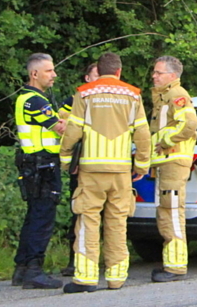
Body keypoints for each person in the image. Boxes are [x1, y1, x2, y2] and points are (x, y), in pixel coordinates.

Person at [59, 52, 150, 292]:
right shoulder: (133, 95)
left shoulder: (84, 93)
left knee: (88, 221)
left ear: (98, 71)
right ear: (119, 71)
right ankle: (116, 278)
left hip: (91, 171)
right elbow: (142, 134)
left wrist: (67, 161)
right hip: (121, 172)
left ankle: (86, 278)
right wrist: (141, 165)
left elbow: (73, 131)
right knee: (117, 223)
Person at [12, 53, 66, 290]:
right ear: (34, 74)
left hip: (33, 164)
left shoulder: (27, 98)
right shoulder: (35, 101)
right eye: (49, 71)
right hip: (42, 165)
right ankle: (34, 270)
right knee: (42, 217)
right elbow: (59, 128)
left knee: (34, 214)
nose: (54, 75)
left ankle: (22, 268)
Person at [148, 56, 197, 282]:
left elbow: (190, 124)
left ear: (172, 75)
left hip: (173, 160)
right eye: (155, 72)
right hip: (166, 161)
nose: (154, 76)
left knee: (172, 210)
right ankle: (171, 263)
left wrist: (167, 141)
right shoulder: (164, 95)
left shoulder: (177, 94)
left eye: (159, 73)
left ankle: (176, 266)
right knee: (166, 210)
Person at [58, 61, 99, 277]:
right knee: (79, 212)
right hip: (82, 165)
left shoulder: (117, 100)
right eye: (96, 75)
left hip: (108, 165)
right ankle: (75, 260)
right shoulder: (74, 100)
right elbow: (62, 125)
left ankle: (104, 259)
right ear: (87, 78)